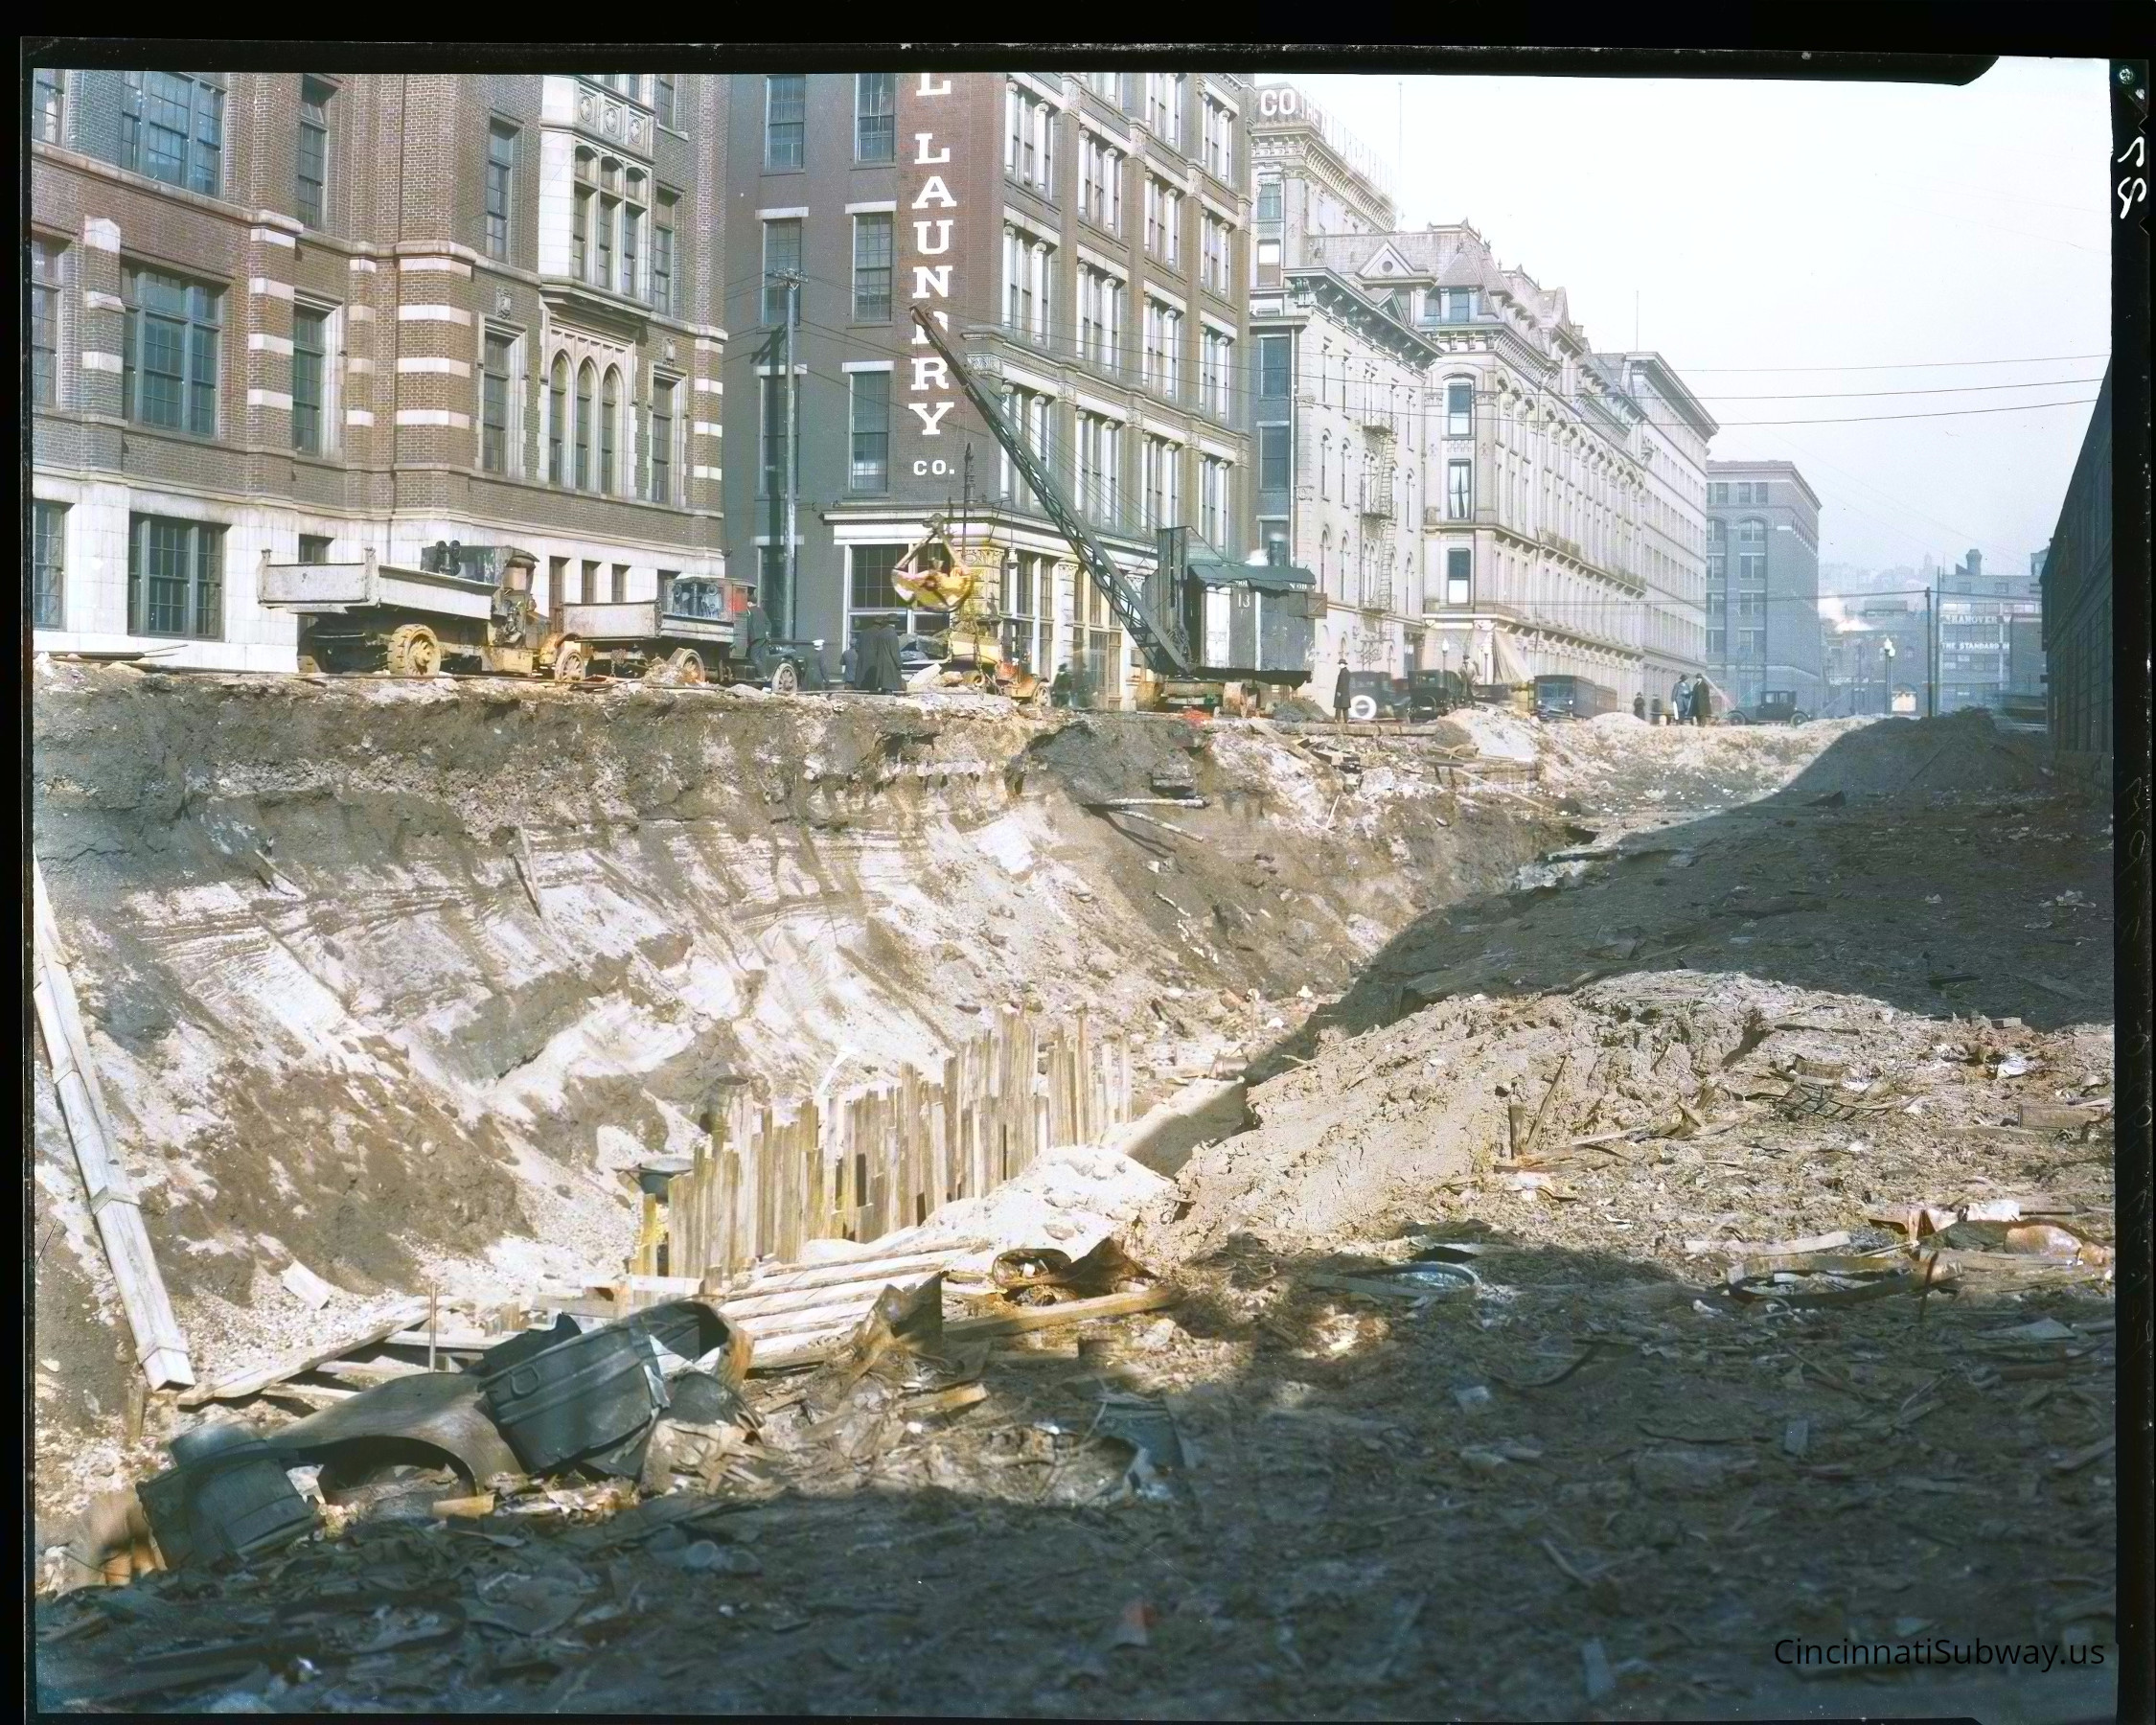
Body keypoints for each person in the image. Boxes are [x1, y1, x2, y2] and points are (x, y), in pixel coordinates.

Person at [1333, 656, 1353, 730]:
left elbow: (1341, 683)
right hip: (1346, 692)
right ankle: (1346, 719)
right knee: (1345, 707)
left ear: (1344, 664)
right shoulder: (1347, 672)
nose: (1339, 665)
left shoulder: (1343, 672)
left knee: (1338, 706)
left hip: (1341, 692)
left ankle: (1337, 719)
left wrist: (1339, 691)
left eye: (1340, 664)